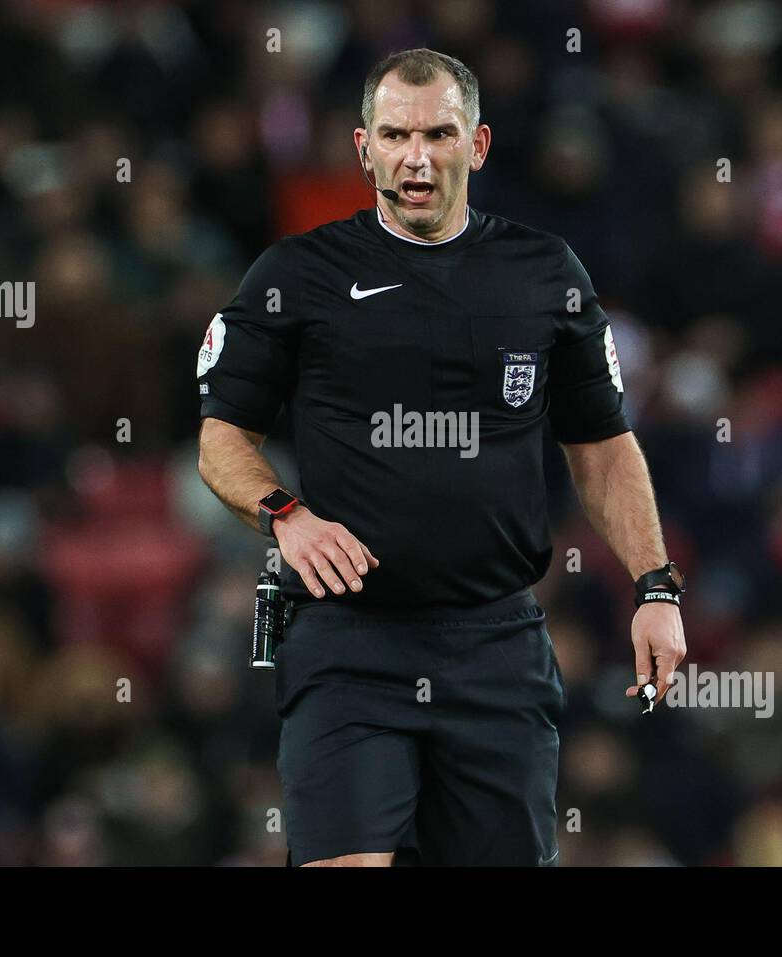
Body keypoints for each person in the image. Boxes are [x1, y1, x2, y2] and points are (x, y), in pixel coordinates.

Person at [196, 48, 686, 866]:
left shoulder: (545, 274)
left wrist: (655, 584)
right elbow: (221, 438)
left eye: (439, 134)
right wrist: (286, 515)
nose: (416, 157)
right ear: (363, 148)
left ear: (479, 144)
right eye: (394, 135)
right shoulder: (296, 276)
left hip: (495, 642)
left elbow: (601, 447)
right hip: (348, 641)